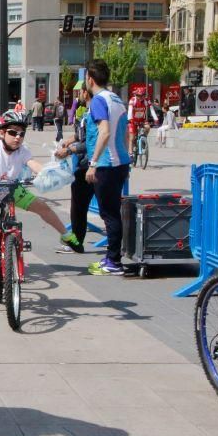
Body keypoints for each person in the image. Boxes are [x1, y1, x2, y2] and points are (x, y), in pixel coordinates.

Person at [0, 111, 83, 303]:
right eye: (13, 133)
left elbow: (33, 164)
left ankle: (66, 236)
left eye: (22, 134)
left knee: (42, 207)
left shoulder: (22, 151)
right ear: (2, 133)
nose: (18, 137)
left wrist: (47, 173)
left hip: (10, 189)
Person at [83, 59, 131, 275]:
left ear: (89, 79)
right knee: (112, 212)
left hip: (107, 164)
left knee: (109, 213)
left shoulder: (98, 101)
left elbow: (105, 131)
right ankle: (113, 258)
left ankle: (113, 261)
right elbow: (126, 133)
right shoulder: (116, 99)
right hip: (119, 162)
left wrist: (93, 163)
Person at [54, 82, 94, 252]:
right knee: (84, 206)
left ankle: (77, 241)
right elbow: (81, 135)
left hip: (90, 166)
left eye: (80, 91)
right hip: (89, 165)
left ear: (86, 92)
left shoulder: (95, 112)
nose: (78, 94)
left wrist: (69, 150)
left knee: (79, 205)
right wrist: (68, 141)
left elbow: (91, 142)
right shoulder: (88, 111)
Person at [126, 91, 152, 157]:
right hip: (133, 120)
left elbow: (151, 110)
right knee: (131, 138)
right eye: (138, 95)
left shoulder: (146, 101)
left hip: (141, 120)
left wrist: (155, 119)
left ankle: (144, 139)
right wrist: (129, 119)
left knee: (148, 127)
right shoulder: (132, 100)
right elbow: (130, 110)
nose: (140, 97)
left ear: (144, 95)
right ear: (136, 95)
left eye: (142, 95)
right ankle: (130, 154)